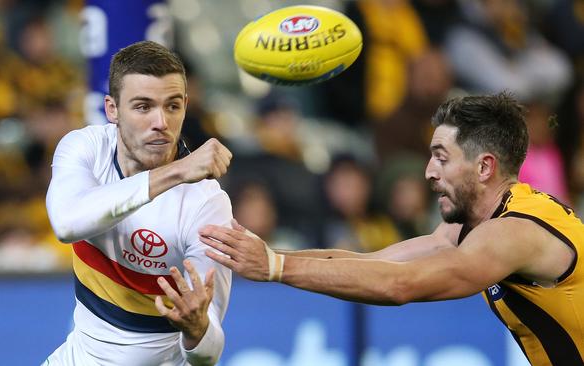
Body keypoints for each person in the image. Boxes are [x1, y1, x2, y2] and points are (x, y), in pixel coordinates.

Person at [200, 92, 584, 365]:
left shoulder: (513, 233)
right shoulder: (475, 225)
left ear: (484, 167)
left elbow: (402, 285)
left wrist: (274, 267)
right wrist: (269, 256)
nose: (429, 172)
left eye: (441, 158)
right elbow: (376, 263)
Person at [44, 41, 233, 366]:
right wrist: (175, 172)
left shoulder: (207, 203)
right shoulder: (86, 148)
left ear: (186, 106)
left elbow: (210, 352)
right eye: (143, 107)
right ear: (112, 109)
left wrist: (197, 327)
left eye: (172, 106)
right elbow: (66, 224)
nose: (161, 122)